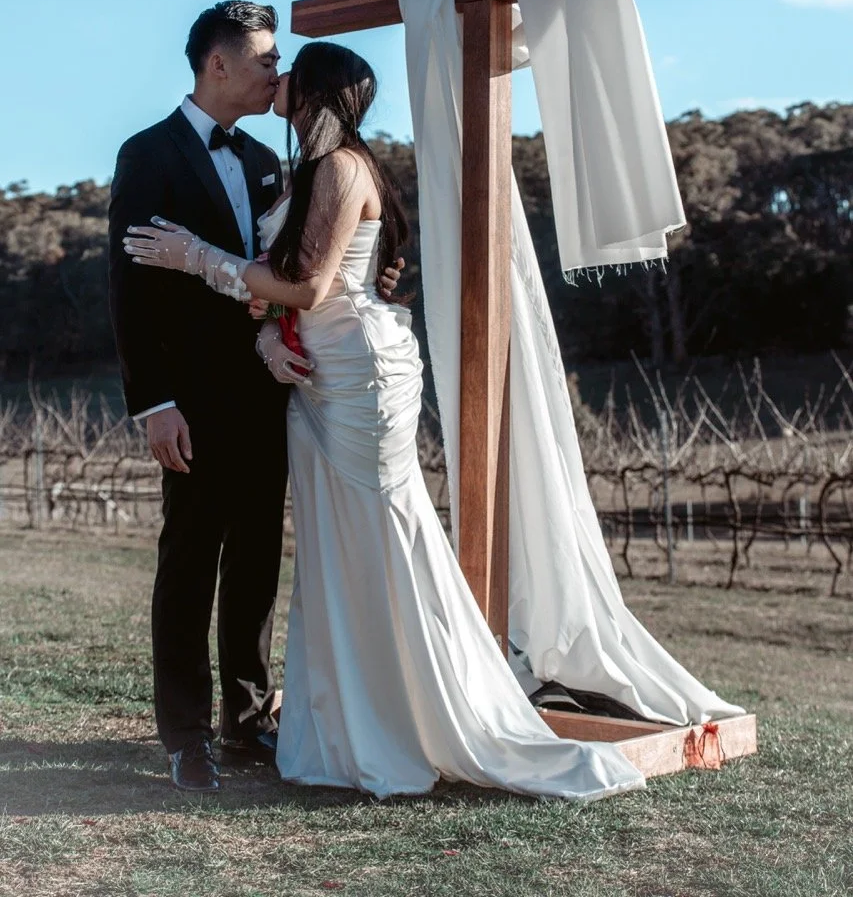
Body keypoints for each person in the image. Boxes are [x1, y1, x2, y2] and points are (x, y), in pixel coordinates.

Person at [123, 40, 645, 801]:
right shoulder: (292, 166)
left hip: (356, 379)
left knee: (375, 531)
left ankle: (409, 709)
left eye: (288, 69)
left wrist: (196, 256)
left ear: (314, 92)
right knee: (334, 545)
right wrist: (265, 335)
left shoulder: (336, 169)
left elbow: (307, 283)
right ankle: (345, 714)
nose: (277, 74)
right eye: (267, 61)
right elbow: (293, 288)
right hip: (310, 373)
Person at [108, 5, 401, 794]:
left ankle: (247, 720)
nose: (278, 71)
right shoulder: (147, 154)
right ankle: (184, 735)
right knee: (190, 559)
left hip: (272, 392)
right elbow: (129, 295)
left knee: (256, 564)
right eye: (266, 59)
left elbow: (282, 272)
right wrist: (153, 403)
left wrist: (274, 333)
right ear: (218, 65)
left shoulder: (277, 161)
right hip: (191, 403)